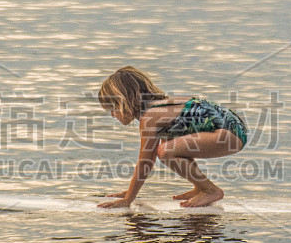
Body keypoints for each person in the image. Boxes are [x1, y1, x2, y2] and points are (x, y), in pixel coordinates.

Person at [96, 66, 247, 209]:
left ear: (125, 102)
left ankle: (210, 190)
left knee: (166, 151)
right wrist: (130, 192)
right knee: (171, 149)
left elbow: (146, 161)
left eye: (113, 109)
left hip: (228, 134)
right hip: (234, 129)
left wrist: (128, 199)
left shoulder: (150, 117)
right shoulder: (161, 108)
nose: (112, 115)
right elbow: (175, 151)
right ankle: (201, 187)